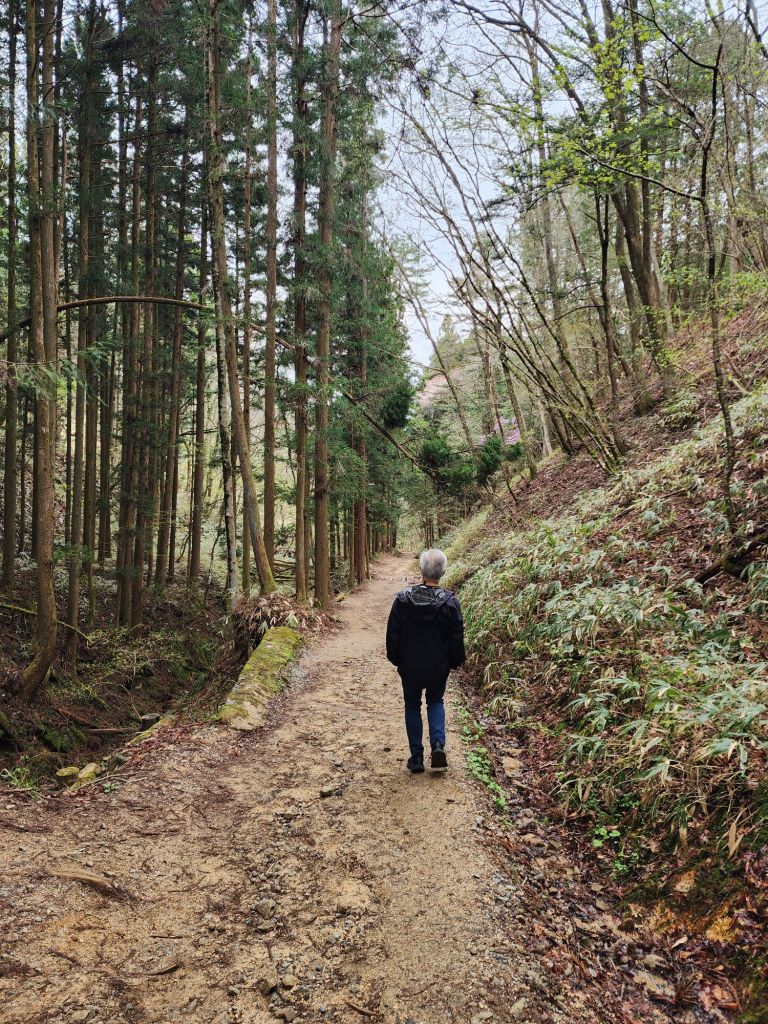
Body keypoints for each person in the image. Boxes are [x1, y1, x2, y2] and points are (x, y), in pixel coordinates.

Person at [386, 548, 466, 774]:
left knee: (412, 705)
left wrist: (396, 659)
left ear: (421, 570)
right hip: (438, 667)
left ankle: (417, 756)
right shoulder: (450, 602)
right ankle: (438, 745)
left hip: (410, 666)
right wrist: (454, 661)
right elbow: (456, 637)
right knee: (436, 701)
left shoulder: (402, 600)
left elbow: (393, 634)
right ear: (443, 572)